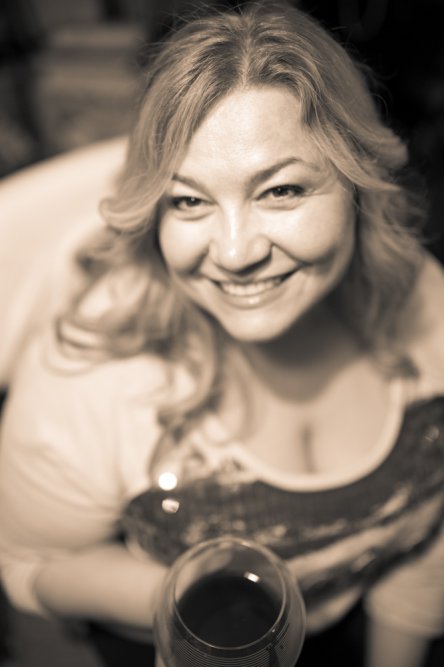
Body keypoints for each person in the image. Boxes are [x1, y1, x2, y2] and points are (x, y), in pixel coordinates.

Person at [0, 2, 443, 666]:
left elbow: (425, 544)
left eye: (281, 191)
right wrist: (194, 604)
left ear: (359, 183)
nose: (234, 253)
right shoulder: (86, 377)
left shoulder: (425, 305)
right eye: (188, 200)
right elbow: (30, 563)